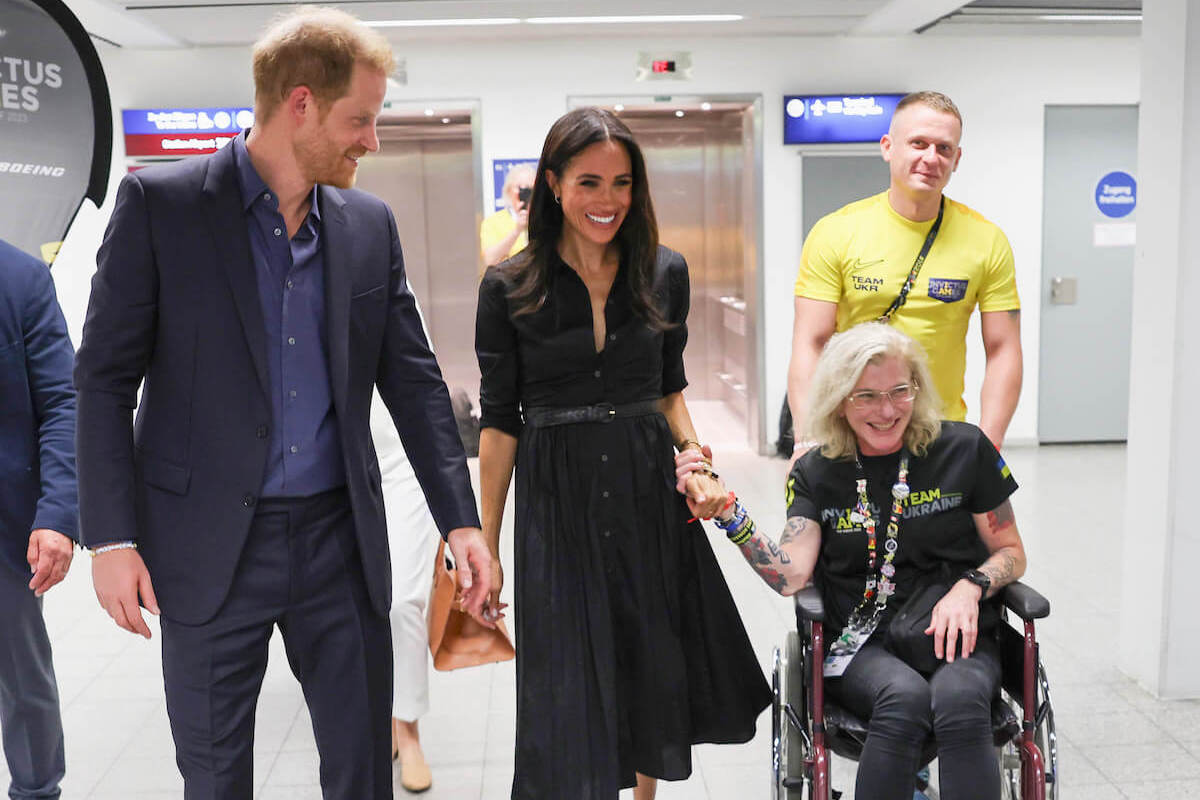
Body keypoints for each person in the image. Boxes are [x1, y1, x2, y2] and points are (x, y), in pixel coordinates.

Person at [73, 8, 493, 798]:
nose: (371, 140)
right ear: (299, 104)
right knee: (215, 774)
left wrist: (460, 520)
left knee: (362, 770)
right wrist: (111, 538)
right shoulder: (163, 208)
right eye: (359, 120)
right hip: (204, 546)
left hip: (340, 540)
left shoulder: (368, 225)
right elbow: (102, 379)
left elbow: (414, 381)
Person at [475, 107, 770, 800]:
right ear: (552, 184)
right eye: (588, 182)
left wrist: (698, 464)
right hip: (557, 491)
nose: (607, 201)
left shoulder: (664, 272)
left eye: (621, 183)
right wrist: (485, 545)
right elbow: (498, 424)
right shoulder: (509, 286)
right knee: (566, 673)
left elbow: (670, 394)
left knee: (649, 659)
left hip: (646, 486)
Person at [679, 322, 1027, 800]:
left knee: (961, 700)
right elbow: (790, 575)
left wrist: (970, 585)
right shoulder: (818, 472)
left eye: (899, 391)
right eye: (865, 396)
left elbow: (1012, 552)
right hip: (860, 641)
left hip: (955, 631)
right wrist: (728, 514)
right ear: (839, 399)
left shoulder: (964, 450)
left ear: (916, 389)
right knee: (903, 700)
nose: (886, 411)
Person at [788, 90, 1022, 465]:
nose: (931, 158)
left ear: (957, 159)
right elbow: (809, 343)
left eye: (944, 148)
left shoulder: (986, 240)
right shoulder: (836, 232)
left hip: (941, 436)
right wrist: (807, 441)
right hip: (851, 436)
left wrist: (988, 448)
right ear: (888, 147)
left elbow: (1003, 349)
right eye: (918, 143)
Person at [0, 239, 77, 800]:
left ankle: (36, 791)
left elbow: (62, 402)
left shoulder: (22, 280)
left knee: (23, 681)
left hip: (5, 531)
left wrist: (56, 514)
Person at [369, 389, 440, 794]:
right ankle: (382, 716)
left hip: (401, 458)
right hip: (331, 453)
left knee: (401, 602)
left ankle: (408, 728)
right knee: (360, 603)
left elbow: (424, 379)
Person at [480, 162, 534, 268]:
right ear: (509, 190)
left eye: (531, 189)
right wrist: (517, 231)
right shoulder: (492, 223)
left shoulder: (544, 218)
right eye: (522, 189)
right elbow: (490, 260)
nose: (526, 194)